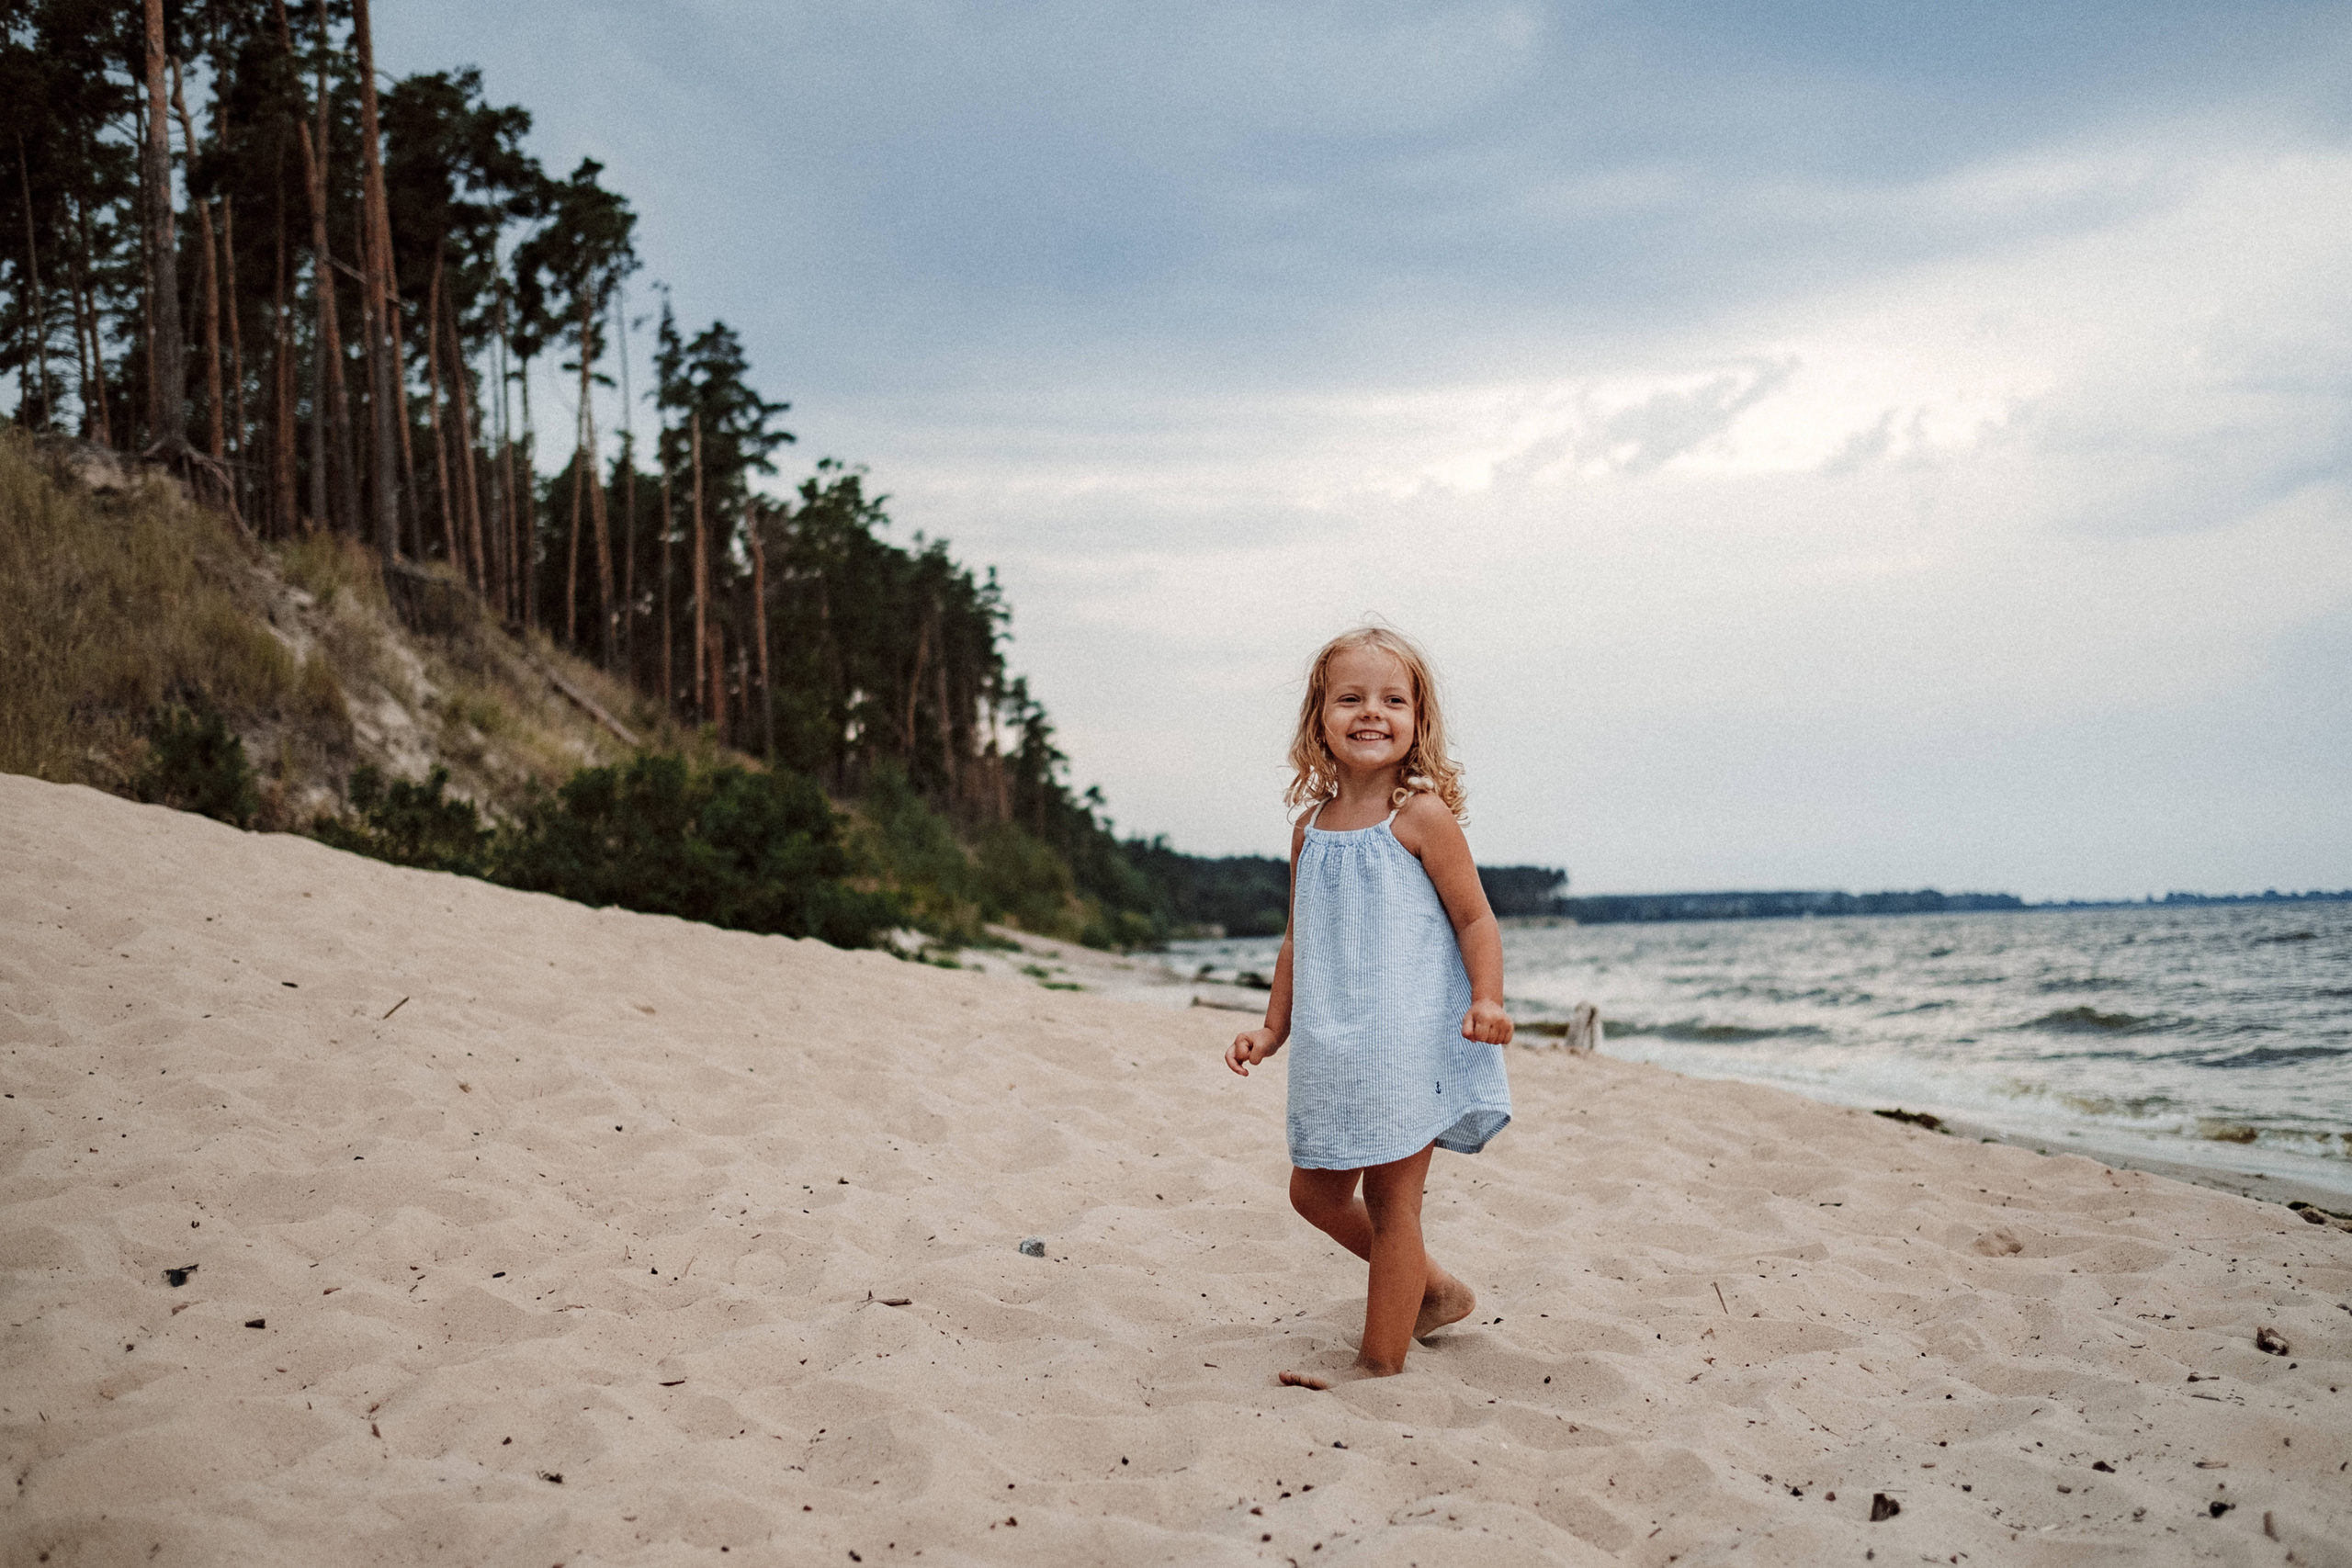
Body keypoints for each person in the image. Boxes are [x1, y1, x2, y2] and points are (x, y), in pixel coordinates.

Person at [1225, 625, 1514, 1385]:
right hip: (1333, 1043)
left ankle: (1378, 1363)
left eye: (1392, 699)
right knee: (1312, 1191)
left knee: (1393, 1204)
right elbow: (1298, 940)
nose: (1370, 712)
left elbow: (1476, 918)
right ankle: (1435, 1288)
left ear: (1418, 718)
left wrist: (1487, 998)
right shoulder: (1309, 829)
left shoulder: (1419, 818)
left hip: (1408, 1042)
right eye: (1349, 697)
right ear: (1319, 715)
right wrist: (1271, 1028)